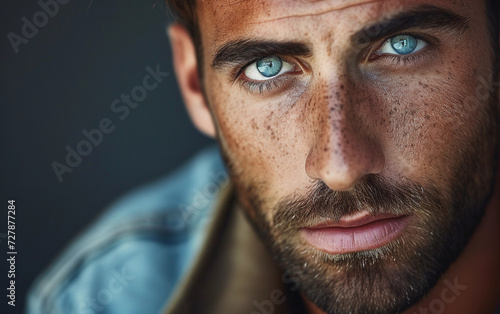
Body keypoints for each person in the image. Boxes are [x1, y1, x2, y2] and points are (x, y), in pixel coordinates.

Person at [27, 0, 500, 313]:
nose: (340, 166)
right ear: (195, 86)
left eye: (403, 46)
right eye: (266, 68)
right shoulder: (106, 296)